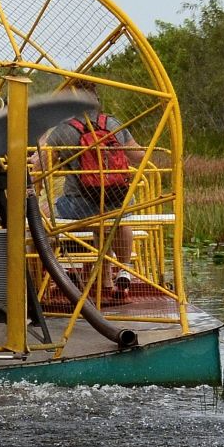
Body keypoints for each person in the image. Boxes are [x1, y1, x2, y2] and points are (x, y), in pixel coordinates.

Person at [32, 78, 144, 294]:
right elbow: (139, 155)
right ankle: (124, 268)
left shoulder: (62, 131)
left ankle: (44, 281)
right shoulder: (113, 124)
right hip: (117, 199)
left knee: (39, 217)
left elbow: (40, 169)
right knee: (119, 216)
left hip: (79, 206)